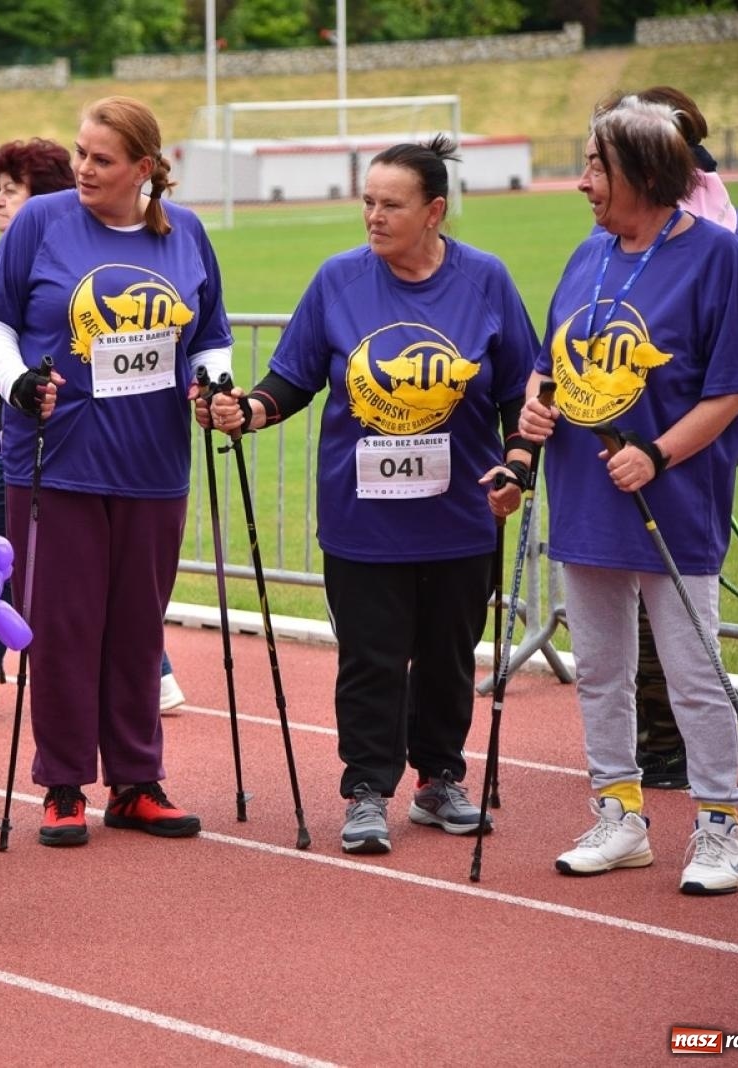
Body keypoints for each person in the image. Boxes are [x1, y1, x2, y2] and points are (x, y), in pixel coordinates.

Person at [209, 136, 537, 855]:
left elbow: (522, 393)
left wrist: (518, 468)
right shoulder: (338, 280)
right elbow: (291, 378)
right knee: (372, 657)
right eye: (368, 202)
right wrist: (248, 411)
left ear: (435, 212)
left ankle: (439, 779)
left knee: (451, 656)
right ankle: (366, 790)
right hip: (363, 519)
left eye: (392, 204)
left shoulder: (486, 280)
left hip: (461, 516)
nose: (374, 216)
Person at [518, 94, 738, 895]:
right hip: (585, 492)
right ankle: (619, 814)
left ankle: (718, 826)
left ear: (642, 171)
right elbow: (553, 357)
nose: (583, 183)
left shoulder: (717, 255)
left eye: (596, 165)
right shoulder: (585, 255)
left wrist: (657, 455)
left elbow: (735, 386)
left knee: (694, 670)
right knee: (600, 667)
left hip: (672, 495)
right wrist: (535, 404)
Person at [0, 96, 231, 847]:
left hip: (153, 460)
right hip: (57, 459)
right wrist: (16, 379)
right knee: (63, 624)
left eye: (102, 159)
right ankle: (62, 784)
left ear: (143, 170)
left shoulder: (187, 233)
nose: (83, 168)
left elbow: (210, 333)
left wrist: (212, 383)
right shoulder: (40, 222)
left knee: (138, 626)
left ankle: (136, 781)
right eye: (81, 152)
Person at [0, 138, 189, 726]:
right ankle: (151, 676)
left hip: (56, 452)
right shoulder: (22, 253)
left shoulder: (67, 241)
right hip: (28, 445)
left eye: (11, 189)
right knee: (38, 581)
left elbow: (69, 365)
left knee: (1, 572)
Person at [623, 86, 738, 792]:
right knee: (655, 597)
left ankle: (682, 740)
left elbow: (733, 355)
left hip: (690, 442)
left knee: (673, 597)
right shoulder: (628, 233)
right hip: (639, 440)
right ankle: (678, 734)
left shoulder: (723, 232)